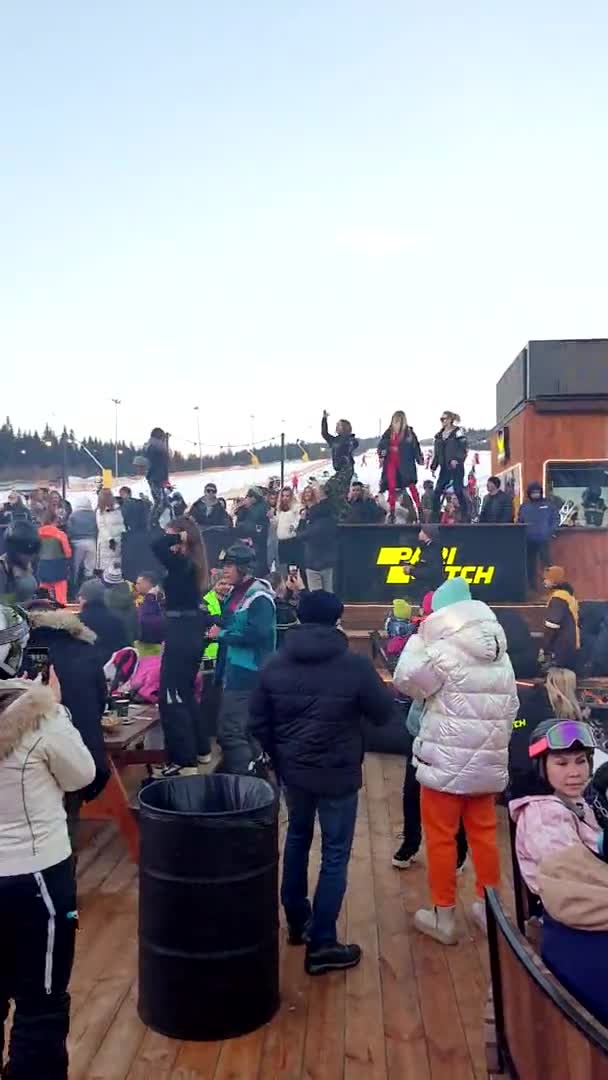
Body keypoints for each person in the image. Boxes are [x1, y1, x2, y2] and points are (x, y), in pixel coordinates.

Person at [249, 590, 394, 975]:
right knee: (334, 854)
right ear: (337, 620)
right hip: (338, 773)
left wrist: (281, 759)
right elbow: (382, 715)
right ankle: (323, 943)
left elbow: (256, 723)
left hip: (293, 773)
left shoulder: (274, 665)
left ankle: (297, 923)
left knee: (296, 841)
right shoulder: (355, 667)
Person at [394, 576, 518, 944]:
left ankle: (444, 916)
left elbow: (407, 681)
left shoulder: (440, 650)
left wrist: (420, 638)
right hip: (488, 763)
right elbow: (511, 706)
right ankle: (487, 908)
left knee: (441, 837)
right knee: (483, 836)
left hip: (444, 762)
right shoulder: (500, 651)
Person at [0, 604, 96, 1080]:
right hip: (34, 878)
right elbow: (82, 773)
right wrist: (55, 706)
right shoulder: (41, 716)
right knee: (40, 1006)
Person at [510, 719, 608, 1027]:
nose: (575, 772)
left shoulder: (572, 802)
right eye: (561, 763)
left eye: (581, 761)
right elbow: (575, 884)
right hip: (571, 928)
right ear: (542, 767)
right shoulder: (544, 815)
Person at [26, 599, 111, 848]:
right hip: (80, 753)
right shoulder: (84, 649)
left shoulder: (18, 653)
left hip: (29, 758)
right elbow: (100, 700)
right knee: (65, 829)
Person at [151, 517, 213, 777]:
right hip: (190, 632)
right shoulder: (194, 565)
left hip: (181, 632)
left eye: (172, 536)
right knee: (185, 693)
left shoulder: (182, 563)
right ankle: (200, 749)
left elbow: (156, 545)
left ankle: (183, 760)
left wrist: (177, 538)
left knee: (171, 696)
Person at [208, 543, 276, 775]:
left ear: (244, 567)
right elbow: (230, 622)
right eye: (223, 565)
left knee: (231, 731)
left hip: (249, 672)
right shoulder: (237, 592)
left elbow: (259, 633)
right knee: (245, 730)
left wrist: (222, 635)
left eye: (229, 565)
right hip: (232, 670)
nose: (224, 570)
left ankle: (244, 785)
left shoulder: (259, 596)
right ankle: (259, 770)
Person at [378, 411, 423, 521]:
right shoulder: (389, 432)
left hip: (405, 462)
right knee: (392, 486)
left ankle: (419, 509)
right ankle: (392, 511)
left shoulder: (409, 433)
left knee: (411, 485)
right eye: (395, 420)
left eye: (398, 420)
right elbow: (382, 444)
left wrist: (419, 458)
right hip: (391, 462)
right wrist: (382, 452)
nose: (396, 422)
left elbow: (415, 447)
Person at [517, 481, 560, 592]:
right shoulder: (524, 506)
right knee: (530, 565)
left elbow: (556, 519)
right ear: (529, 493)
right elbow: (519, 521)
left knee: (547, 565)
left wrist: (549, 532)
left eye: (537, 492)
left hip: (543, 539)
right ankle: (532, 587)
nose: (535, 494)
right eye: (533, 492)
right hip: (528, 540)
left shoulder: (549, 505)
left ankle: (551, 587)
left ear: (541, 492)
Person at [79, 577, 128, 664]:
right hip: (113, 669)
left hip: (86, 670)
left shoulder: (79, 622)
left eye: (80, 596)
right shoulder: (117, 620)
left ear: (85, 598)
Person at [298, 484, 338, 592]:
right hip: (328, 561)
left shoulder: (312, 523)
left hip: (313, 562)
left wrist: (302, 521)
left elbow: (301, 536)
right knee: (329, 592)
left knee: (316, 595)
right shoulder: (331, 519)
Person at [431, 411, 468, 522]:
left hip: (456, 466)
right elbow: (437, 453)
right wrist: (434, 466)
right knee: (437, 491)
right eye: (441, 419)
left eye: (445, 419)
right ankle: (435, 516)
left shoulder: (458, 432)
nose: (443, 421)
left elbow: (463, 448)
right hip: (444, 467)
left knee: (458, 489)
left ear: (451, 419)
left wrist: (457, 459)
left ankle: (465, 513)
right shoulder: (438, 436)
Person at [321, 410, 359, 516]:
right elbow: (324, 434)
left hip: (346, 468)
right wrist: (324, 419)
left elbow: (353, 444)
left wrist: (347, 445)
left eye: (339, 425)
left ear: (344, 427)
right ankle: (342, 513)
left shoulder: (349, 439)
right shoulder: (335, 440)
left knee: (331, 486)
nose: (336, 427)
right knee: (336, 493)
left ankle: (348, 512)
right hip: (339, 469)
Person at [543, 565, 580, 671]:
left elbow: (552, 625)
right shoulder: (567, 595)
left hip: (561, 649)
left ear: (554, 581)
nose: (544, 581)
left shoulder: (558, 598)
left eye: (547, 579)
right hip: (570, 647)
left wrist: (545, 648)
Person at [0, 520, 40, 605]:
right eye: (26, 553)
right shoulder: (2, 568)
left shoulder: (27, 564)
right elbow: (2, 608)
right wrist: (30, 604)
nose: (31, 557)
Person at [38, 511, 72, 607]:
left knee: (44, 588)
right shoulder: (60, 534)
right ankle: (62, 609)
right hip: (58, 564)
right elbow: (68, 553)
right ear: (55, 520)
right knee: (60, 587)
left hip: (43, 563)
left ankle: (42, 607)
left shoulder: (37, 533)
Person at [234, 487, 270, 577]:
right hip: (247, 540)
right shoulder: (247, 507)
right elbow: (239, 520)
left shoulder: (261, 507)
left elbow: (256, 524)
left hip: (257, 541)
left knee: (258, 565)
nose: (249, 499)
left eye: (251, 497)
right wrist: (241, 508)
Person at [102, 562, 138, 644]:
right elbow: (136, 629)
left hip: (112, 642)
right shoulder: (130, 597)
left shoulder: (105, 597)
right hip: (129, 642)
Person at [67, 494, 97, 592]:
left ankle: (74, 589)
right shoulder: (94, 514)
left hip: (77, 543)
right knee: (89, 568)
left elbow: (69, 529)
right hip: (91, 542)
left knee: (75, 568)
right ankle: (89, 588)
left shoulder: (73, 515)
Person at [144, 427, 171, 527]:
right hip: (157, 478)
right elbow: (161, 465)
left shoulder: (153, 446)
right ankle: (152, 524)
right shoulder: (157, 447)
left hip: (156, 478)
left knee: (162, 502)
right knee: (160, 502)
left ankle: (154, 523)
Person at [134, 571, 166, 656]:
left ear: (148, 584)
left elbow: (146, 622)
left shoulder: (157, 601)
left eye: (139, 583)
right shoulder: (145, 600)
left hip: (153, 650)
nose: (136, 586)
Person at [407, 524, 445, 593]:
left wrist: (412, 571)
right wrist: (412, 567)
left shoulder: (434, 550)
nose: (419, 534)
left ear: (427, 535)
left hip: (432, 590)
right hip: (425, 589)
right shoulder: (425, 548)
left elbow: (432, 571)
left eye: (421, 532)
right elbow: (424, 566)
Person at [95, 489, 124, 575]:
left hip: (119, 540)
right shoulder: (100, 512)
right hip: (106, 542)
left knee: (117, 563)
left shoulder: (118, 509)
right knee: (106, 565)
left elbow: (122, 523)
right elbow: (102, 526)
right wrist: (110, 539)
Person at [275, 487, 301, 575]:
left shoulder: (296, 507)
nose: (285, 498)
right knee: (283, 566)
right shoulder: (279, 508)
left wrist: (294, 526)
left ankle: (294, 586)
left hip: (292, 541)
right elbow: (277, 522)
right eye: (283, 496)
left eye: (287, 496)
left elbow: (299, 519)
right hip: (281, 541)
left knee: (292, 567)